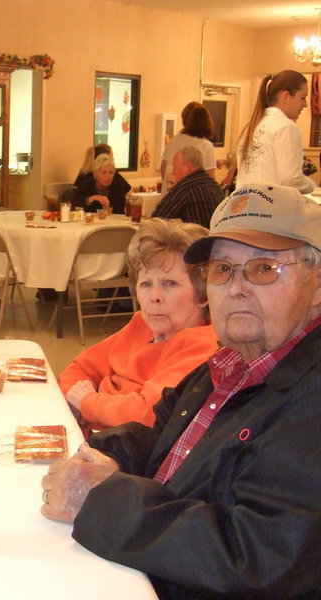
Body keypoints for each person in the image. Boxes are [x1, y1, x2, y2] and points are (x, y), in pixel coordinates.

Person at [41, 182, 321, 599]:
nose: (236, 287)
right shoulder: (227, 365)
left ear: (316, 286)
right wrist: (90, 455)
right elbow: (159, 438)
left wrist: (103, 500)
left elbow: (257, 556)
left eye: (264, 268)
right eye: (222, 269)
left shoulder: (309, 399)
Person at [59, 218, 218, 430]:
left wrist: (88, 403)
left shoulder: (203, 345)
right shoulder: (142, 325)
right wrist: (75, 402)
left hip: (121, 454)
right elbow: (79, 369)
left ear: (203, 294)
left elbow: (147, 413)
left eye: (170, 284)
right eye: (146, 284)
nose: (155, 297)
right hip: (88, 432)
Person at [237, 70, 316, 193]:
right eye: (303, 97)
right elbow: (290, 179)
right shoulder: (286, 127)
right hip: (271, 208)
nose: (305, 104)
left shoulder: (251, 126)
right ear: (285, 96)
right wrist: (314, 188)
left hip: (245, 206)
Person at [151, 146, 225, 228]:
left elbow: (156, 222)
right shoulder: (216, 187)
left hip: (194, 240)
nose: (173, 172)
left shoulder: (184, 190)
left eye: (175, 167)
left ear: (187, 168)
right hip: (218, 239)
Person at [160, 102, 216, 193]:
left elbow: (163, 169)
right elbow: (210, 181)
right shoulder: (207, 146)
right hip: (191, 200)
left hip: (168, 198)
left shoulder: (174, 140)